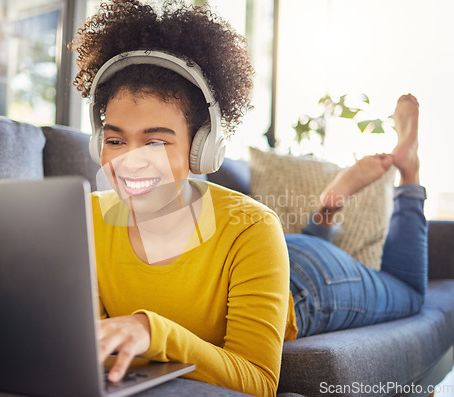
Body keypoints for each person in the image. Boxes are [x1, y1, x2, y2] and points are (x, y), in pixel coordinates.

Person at [69, 1, 427, 395]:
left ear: (200, 149)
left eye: (155, 141)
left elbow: (259, 381)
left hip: (307, 284)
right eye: (116, 140)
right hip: (262, 252)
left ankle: (408, 170)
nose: (130, 163)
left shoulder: (255, 226)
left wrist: (153, 331)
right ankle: (328, 207)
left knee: (408, 292)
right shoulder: (83, 219)